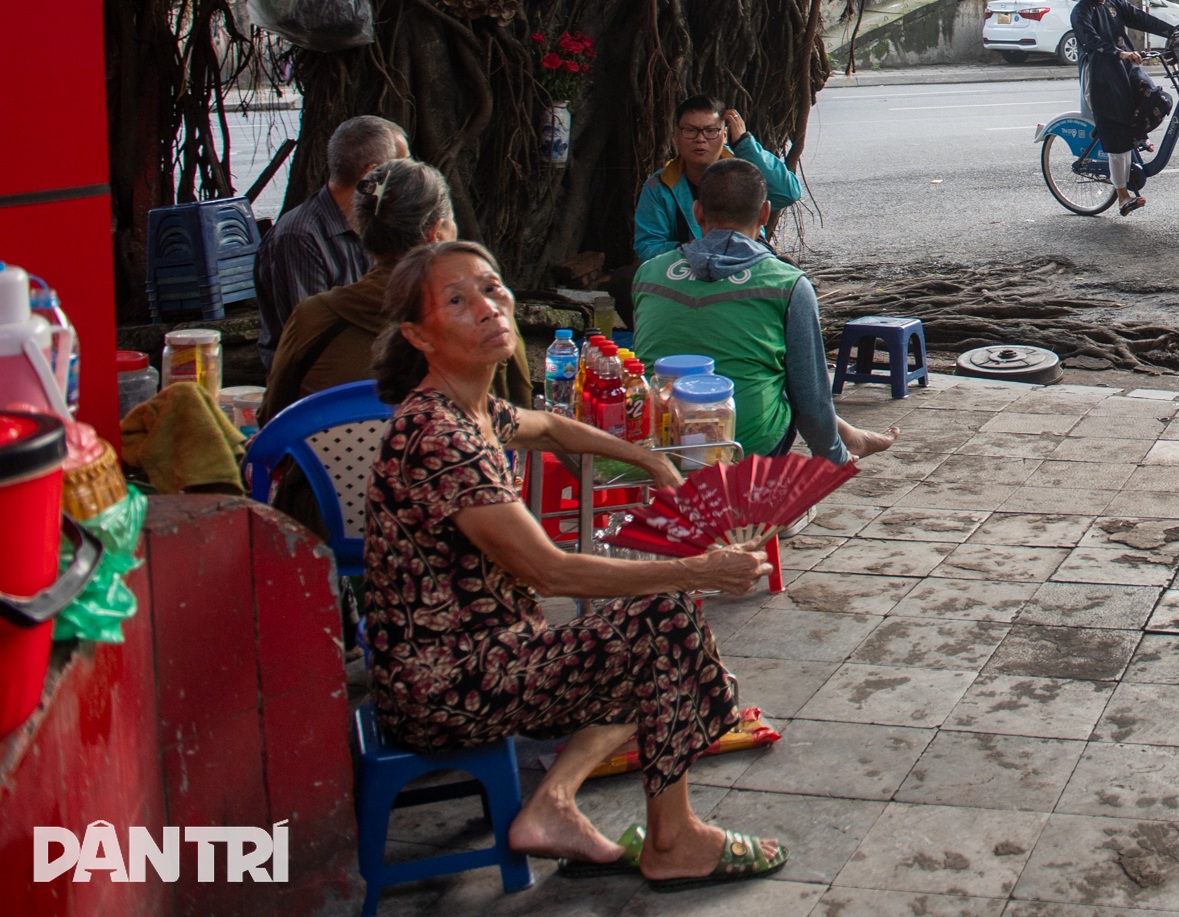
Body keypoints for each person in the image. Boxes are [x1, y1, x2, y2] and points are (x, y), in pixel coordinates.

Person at [362, 240, 787, 891]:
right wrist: (698, 568)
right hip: (445, 684)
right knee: (664, 622)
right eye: (458, 300)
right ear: (419, 334)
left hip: (489, 653)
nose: (489, 306)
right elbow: (552, 571)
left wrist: (647, 456)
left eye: (491, 286)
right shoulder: (438, 438)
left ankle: (552, 803)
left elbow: (553, 427)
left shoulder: (471, 410)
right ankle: (673, 840)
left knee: (651, 643)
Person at [633, 161, 898, 462]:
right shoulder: (788, 284)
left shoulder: (649, 274)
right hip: (743, 449)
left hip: (655, 443)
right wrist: (833, 458)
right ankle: (848, 439)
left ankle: (850, 435)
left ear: (697, 212)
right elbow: (811, 402)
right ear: (764, 214)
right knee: (784, 381)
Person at [260, 158, 531, 424]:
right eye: (451, 222)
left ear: (361, 230)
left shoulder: (312, 317)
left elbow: (272, 419)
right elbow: (521, 414)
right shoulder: (487, 315)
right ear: (435, 233)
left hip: (322, 469)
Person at [255, 115, 408, 370]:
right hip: (321, 383)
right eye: (402, 168)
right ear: (372, 176)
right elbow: (313, 338)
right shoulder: (299, 237)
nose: (409, 178)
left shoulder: (379, 222)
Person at [1069, 0, 1179, 216]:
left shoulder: (1116, 4)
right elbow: (1090, 40)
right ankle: (1122, 195)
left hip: (1126, 68)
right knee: (1117, 134)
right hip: (1101, 76)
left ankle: (1137, 135)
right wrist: (1119, 53)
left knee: (1159, 99)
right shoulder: (1082, 11)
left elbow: (1143, 20)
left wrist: (1175, 31)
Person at [633, 97, 802, 263]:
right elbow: (648, 248)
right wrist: (698, 249)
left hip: (745, 264)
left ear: (725, 135)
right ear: (676, 136)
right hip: (688, 271)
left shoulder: (744, 172)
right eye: (690, 131)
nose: (700, 139)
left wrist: (745, 144)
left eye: (711, 131)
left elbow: (787, 194)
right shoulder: (660, 185)